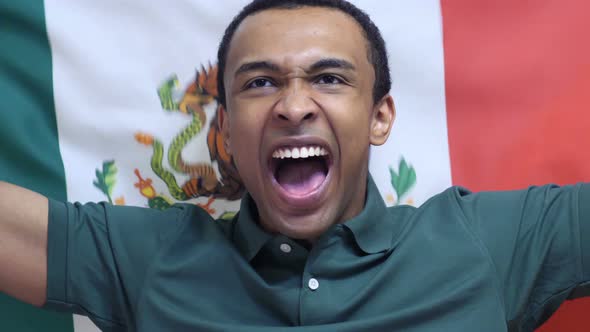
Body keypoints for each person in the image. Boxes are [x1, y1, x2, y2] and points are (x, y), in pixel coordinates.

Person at [0, 0, 588, 331]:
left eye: (329, 78)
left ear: (380, 117)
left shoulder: (487, 243)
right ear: (225, 129)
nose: (294, 104)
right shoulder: (151, 259)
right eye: (261, 83)